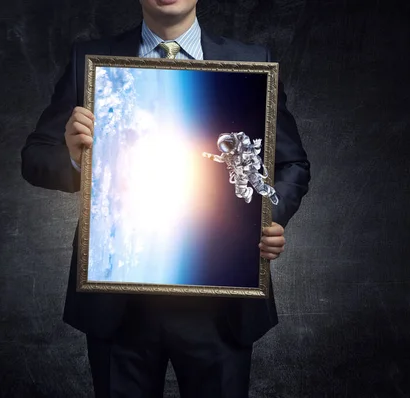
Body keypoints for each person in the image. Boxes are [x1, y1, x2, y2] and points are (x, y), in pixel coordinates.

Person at [21, 0, 310, 396]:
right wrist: (76, 157)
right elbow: (34, 157)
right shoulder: (89, 62)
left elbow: (292, 163)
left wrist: (266, 215)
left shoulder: (251, 61)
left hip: (222, 301)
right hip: (119, 301)